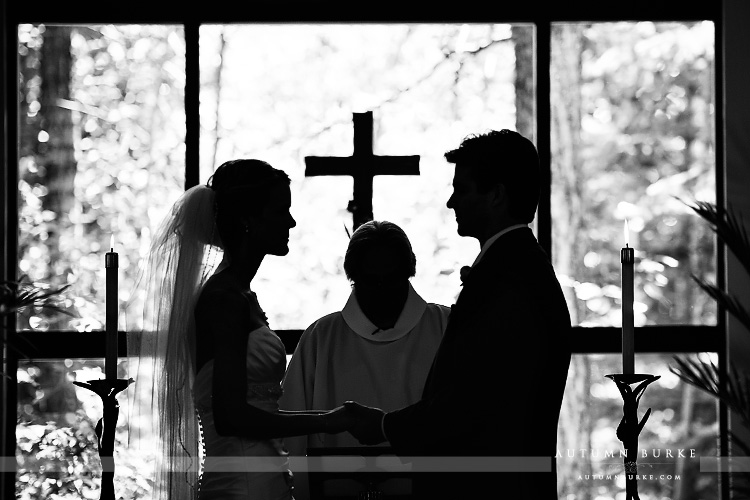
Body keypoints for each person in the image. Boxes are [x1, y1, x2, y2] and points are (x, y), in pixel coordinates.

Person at [344, 130, 572, 499]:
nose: (451, 202)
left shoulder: (508, 281)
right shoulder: (517, 269)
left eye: (462, 190)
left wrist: (384, 426)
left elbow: (472, 402)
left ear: (496, 195)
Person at [127, 159, 354, 500]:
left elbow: (255, 407)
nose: (291, 221)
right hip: (241, 488)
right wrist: (326, 421)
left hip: (264, 481)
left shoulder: (240, 294)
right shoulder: (224, 299)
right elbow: (231, 416)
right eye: (281, 210)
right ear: (248, 218)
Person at [278, 220, 450, 499]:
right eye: (371, 281)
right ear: (353, 278)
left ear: (409, 273)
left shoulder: (444, 328)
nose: (382, 291)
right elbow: (291, 437)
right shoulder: (322, 338)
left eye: (392, 279)